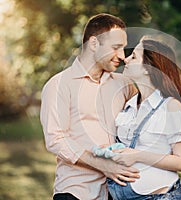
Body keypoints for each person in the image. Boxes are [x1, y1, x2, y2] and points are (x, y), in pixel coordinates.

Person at [40, 13, 139, 200]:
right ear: (94, 44)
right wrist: (104, 166)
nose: (122, 56)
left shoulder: (124, 85)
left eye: (124, 49)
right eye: (116, 48)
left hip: (117, 193)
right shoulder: (59, 85)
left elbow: (151, 110)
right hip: (75, 192)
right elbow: (56, 140)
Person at [106, 37, 181, 199]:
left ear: (148, 68)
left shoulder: (171, 106)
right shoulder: (129, 105)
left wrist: (136, 155)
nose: (125, 59)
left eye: (134, 57)